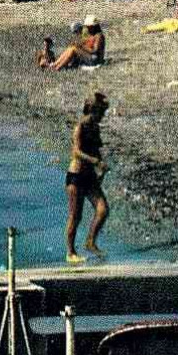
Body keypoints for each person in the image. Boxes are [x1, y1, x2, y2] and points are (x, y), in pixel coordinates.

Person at [64, 93, 110, 264]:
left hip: (90, 176)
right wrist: (95, 161)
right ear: (93, 110)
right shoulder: (80, 127)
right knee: (75, 216)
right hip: (76, 176)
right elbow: (76, 152)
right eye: (101, 113)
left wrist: (102, 169)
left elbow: (96, 150)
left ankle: (90, 241)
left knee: (102, 210)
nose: (102, 116)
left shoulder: (95, 128)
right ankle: (70, 252)